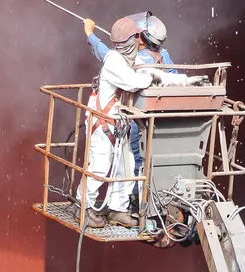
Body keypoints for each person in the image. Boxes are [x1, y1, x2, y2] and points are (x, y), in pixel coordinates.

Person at [79, 17, 194, 228]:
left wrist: (186, 81)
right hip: (103, 123)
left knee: (127, 165)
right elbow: (135, 81)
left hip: (120, 123)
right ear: (132, 39)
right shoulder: (114, 60)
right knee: (99, 166)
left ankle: (117, 210)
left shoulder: (131, 60)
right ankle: (83, 207)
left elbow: (155, 72)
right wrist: (151, 77)